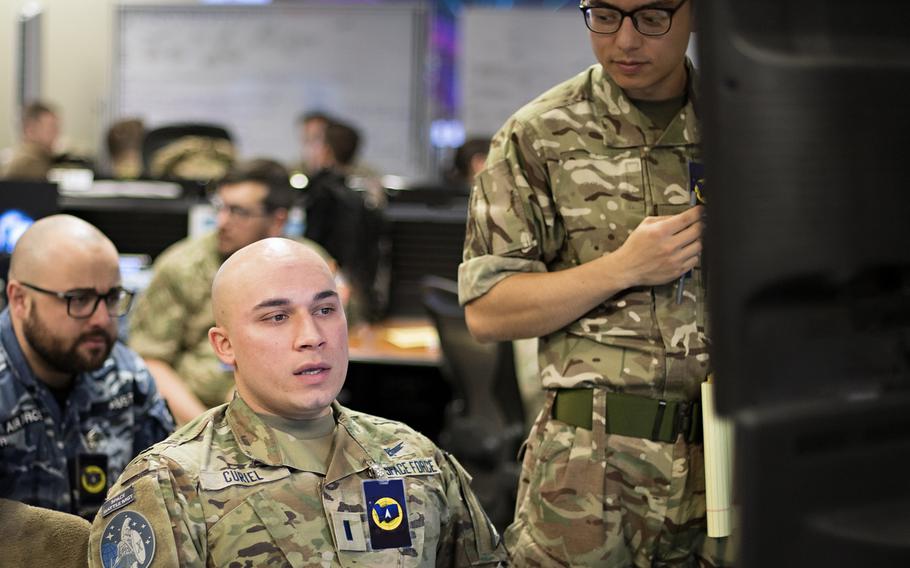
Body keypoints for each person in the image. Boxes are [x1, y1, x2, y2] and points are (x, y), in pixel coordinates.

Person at [460, 0, 733, 565]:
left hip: (726, 457)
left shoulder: (748, 128)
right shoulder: (538, 135)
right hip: (592, 468)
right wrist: (624, 267)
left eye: (652, 17)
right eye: (604, 15)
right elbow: (488, 311)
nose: (625, 40)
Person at [88, 238, 506, 567]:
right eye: (277, 316)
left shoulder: (414, 457)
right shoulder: (172, 485)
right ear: (224, 345)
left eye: (325, 309)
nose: (312, 335)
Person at [129, 158, 334, 426]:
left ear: (277, 220)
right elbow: (150, 361)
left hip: (293, 417)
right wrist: (206, 431)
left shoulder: (308, 264)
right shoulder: (183, 266)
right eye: (220, 208)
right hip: (201, 418)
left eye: (239, 212)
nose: (222, 222)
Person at [0, 215, 174, 518]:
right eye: (79, 299)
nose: (102, 319)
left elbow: (165, 496)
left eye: (111, 297)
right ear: (20, 300)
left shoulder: (126, 377)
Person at [304, 120, 387, 322]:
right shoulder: (368, 191)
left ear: (326, 151)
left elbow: (311, 242)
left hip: (327, 281)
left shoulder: (321, 191)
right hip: (362, 285)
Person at [2, 100, 60, 180]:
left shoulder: (35, 157)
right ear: (30, 130)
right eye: (51, 128)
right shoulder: (31, 165)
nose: (57, 134)